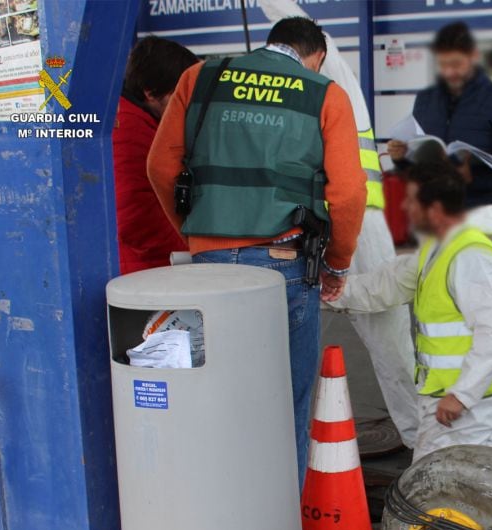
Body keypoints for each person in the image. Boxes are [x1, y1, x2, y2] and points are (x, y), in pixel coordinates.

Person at [147, 17, 366, 487]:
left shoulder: (199, 77)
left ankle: (222, 524)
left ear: (271, 44)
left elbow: (161, 166)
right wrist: (336, 264)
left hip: (207, 269)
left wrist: (195, 232)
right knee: (284, 403)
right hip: (283, 265)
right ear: (318, 56)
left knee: (214, 399)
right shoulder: (324, 94)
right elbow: (348, 195)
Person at [327, 162, 492, 462]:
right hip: (449, 396)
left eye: (413, 199)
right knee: (449, 478)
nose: (405, 206)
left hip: (475, 401)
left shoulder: (470, 255)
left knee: (438, 484)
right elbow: (385, 285)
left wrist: (462, 395)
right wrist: (328, 292)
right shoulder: (437, 249)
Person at [316, 33, 421, 450]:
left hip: (355, 223)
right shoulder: (337, 84)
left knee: (384, 321)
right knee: (389, 332)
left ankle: (420, 435)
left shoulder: (327, 85)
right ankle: (419, 435)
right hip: (356, 222)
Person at [386, 21, 492, 235]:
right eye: (443, 65)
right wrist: (402, 158)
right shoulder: (425, 99)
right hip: (432, 219)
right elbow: (417, 167)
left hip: (478, 220)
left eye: (456, 64)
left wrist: (473, 178)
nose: (450, 72)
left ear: (474, 56)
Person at [113, 36, 197, 275]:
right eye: (178, 94)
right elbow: (134, 216)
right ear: (150, 92)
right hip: (145, 271)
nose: (186, 103)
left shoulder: (141, 121)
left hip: (151, 267)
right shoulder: (128, 128)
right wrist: (192, 247)